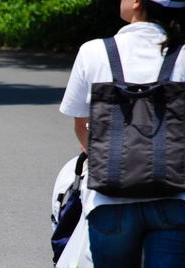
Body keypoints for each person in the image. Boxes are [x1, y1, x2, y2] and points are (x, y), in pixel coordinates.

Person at [59, 0, 185, 267]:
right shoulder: (182, 53)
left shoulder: (93, 51)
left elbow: (81, 125)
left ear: (138, 2)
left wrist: (109, 159)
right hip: (174, 198)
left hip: (109, 199)